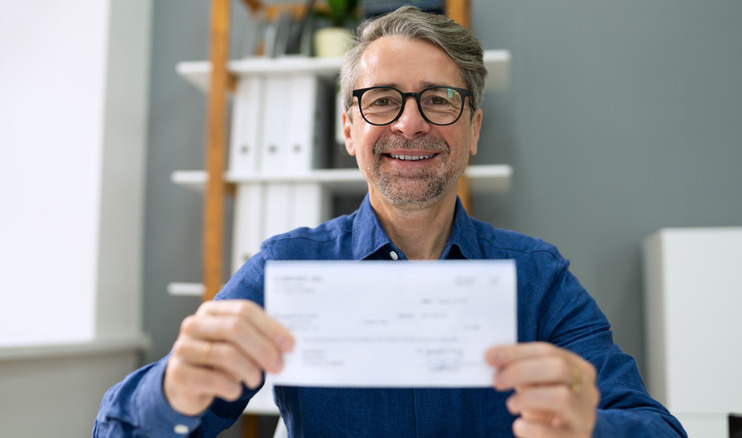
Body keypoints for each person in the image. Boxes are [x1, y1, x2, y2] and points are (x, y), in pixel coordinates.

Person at [94, 6, 686, 438]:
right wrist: (175, 389)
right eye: (382, 100)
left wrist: (590, 425)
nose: (409, 124)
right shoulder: (287, 267)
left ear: (473, 129)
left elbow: (656, 429)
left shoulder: (537, 277)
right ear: (349, 129)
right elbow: (118, 433)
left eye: (439, 99)